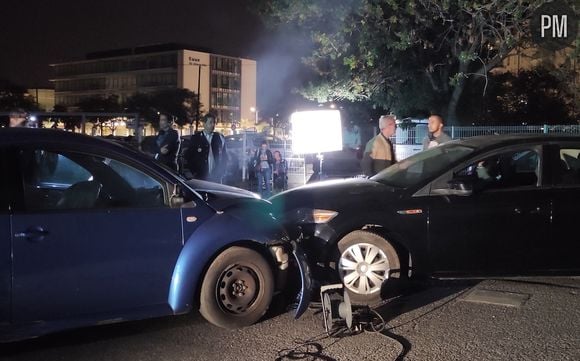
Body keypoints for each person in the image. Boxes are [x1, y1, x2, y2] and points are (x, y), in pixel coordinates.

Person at [185, 113, 227, 182]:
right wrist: (194, 172)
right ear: (204, 124)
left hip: (216, 178)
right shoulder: (196, 138)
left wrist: (222, 172)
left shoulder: (219, 137)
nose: (213, 125)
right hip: (200, 177)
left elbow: (224, 156)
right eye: (210, 122)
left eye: (214, 122)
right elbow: (189, 156)